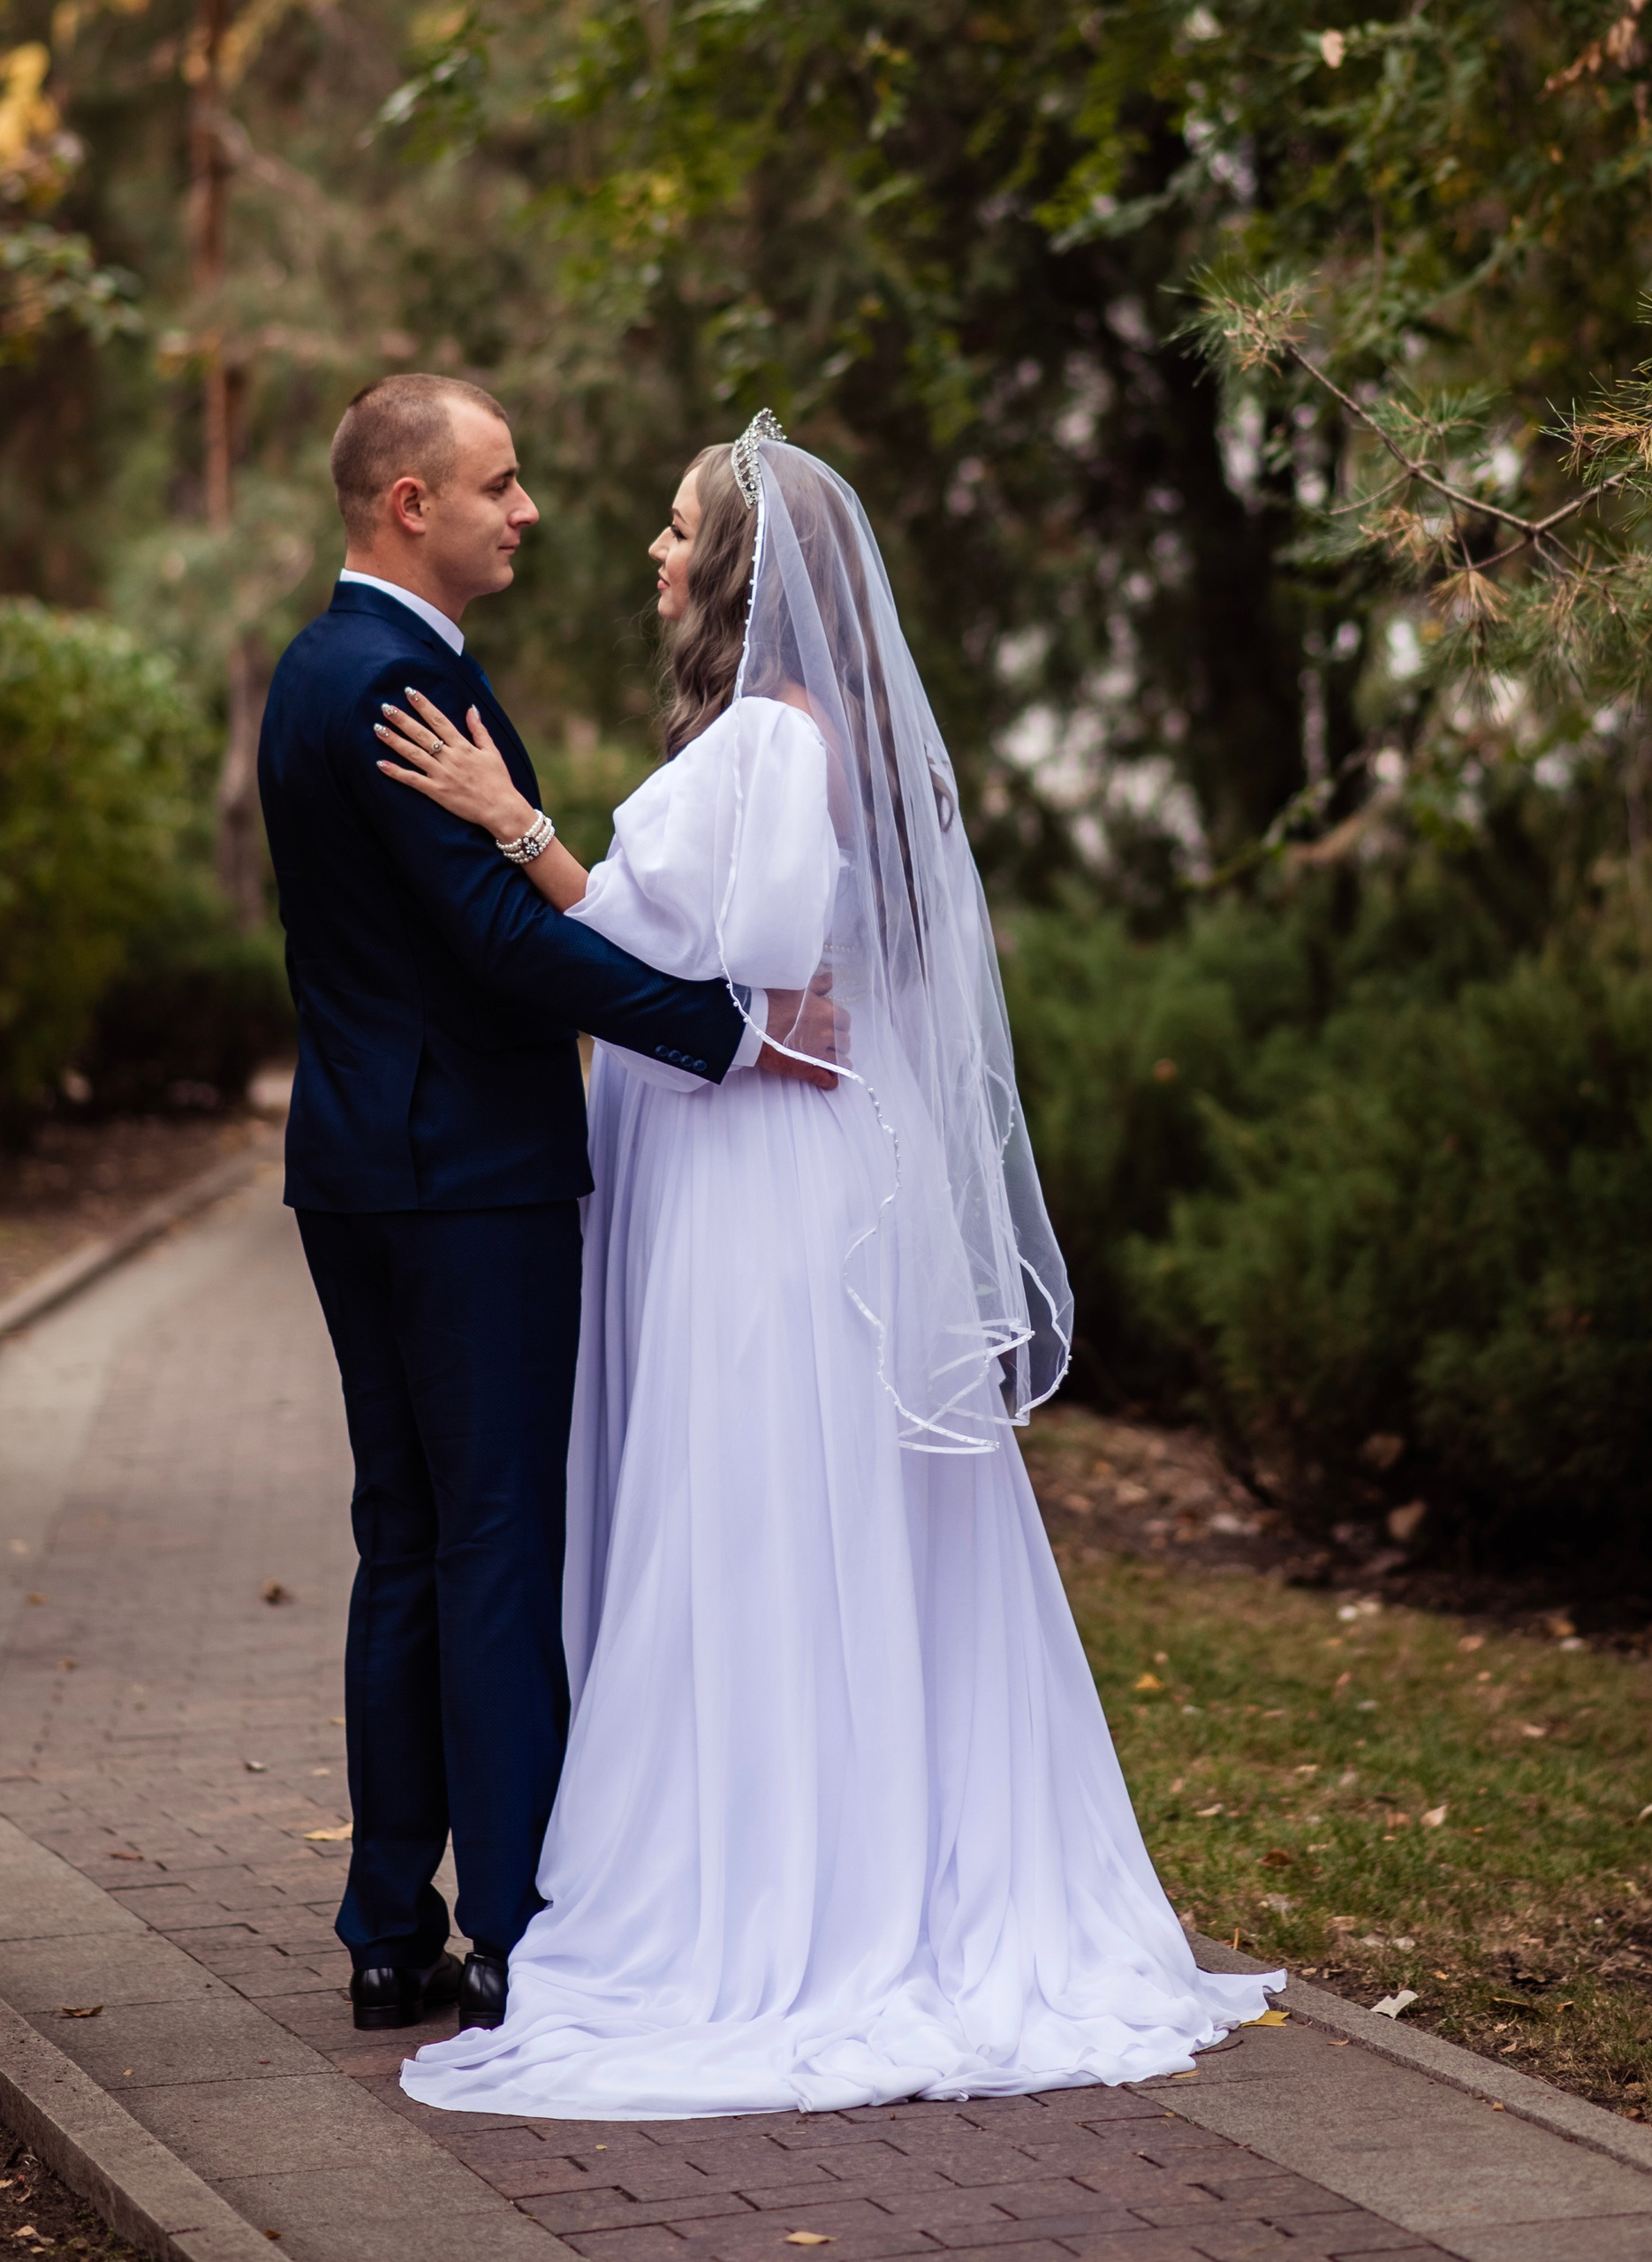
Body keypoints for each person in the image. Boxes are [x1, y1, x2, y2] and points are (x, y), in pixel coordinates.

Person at [368, 410, 1279, 2117]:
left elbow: (753, 960)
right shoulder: (778, 729)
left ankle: (784, 1889)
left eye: (672, 524)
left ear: (739, 567)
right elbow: (735, 965)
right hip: (741, 1152)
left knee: (757, 1504)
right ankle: (813, 1838)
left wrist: (514, 826)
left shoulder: (782, 738)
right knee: (769, 1507)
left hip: (761, 1185)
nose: (648, 546)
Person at [257, 376, 837, 2040]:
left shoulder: (321, 667)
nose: (530, 512)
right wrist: (723, 1030)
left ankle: (388, 1929)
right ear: (407, 506)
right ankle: (510, 1922)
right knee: (496, 1542)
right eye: (497, 485)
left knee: (406, 1544)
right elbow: (501, 949)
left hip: (358, 1164)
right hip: (469, 1183)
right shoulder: (400, 686)